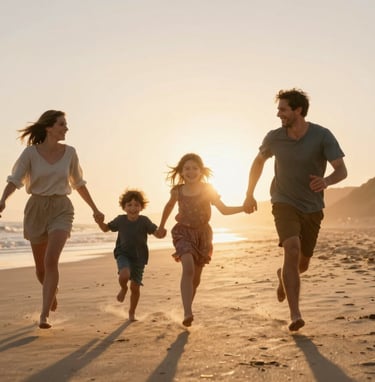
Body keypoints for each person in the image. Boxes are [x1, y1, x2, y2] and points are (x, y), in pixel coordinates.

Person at [243, 88, 347, 331]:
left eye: (283, 109)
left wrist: (327, 181)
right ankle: (295, 314)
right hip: (283, 201)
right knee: (291, 247)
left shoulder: (322, 136)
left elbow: (341, 170)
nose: (278, 114)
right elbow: (258, 162)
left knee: (302, 264)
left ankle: (284, 274)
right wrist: (249, 194)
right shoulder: (274, 137)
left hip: (312, 206)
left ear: (298, 110)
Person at [0, 110, 104, 329]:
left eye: (66, 124)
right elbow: (15, 179)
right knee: (41, 269)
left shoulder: (70, 153)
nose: (66, 128)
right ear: (48, 127)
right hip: (36, 209)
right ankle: (52, 292)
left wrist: (95, 209)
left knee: (50, 261)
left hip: (61, 209)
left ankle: (44, 314)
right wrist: (3, 200)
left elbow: (79, 183)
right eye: (62, 124)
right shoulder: (29, 153)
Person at [157, 153, 245, 327]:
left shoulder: (208, 189)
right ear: (181, 172)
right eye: (187, 168)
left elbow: (224, 210)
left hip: (203, 235)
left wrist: (243, 207)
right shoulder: (178, 191)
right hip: (183, 232)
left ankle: (187, 306)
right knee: (188, 268)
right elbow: (168, 207)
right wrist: (161, 226)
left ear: (201, 171)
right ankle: (187, 312)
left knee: (195, 279)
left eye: (195, 168)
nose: (191, 172)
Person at [95, 189, 165, 321]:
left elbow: (156, 233)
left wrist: (162, 233)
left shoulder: (144, 221)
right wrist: (99, 222)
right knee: (124, 274)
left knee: (135, 287)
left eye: (136, 205)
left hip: (140, 257)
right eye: (129, 205)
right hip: (123, 254)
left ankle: (132, 312)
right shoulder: (120, 220)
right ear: (124, 207)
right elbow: (105, 228)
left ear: (141, 207)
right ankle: (123, 288)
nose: (133, 208)